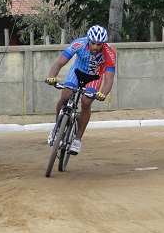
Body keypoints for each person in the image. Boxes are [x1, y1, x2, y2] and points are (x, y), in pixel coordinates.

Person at [45, 24, 116, 155]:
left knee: (86, 101)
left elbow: (109, 79)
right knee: (66, 95)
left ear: (103, 44)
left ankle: (77, 139)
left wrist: (103, 94)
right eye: (93, 43)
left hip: (94, 77)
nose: (95, 47)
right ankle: (57, 127)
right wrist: (52, 77)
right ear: (88, 39)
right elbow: (60, 62)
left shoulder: (110, 53)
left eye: (99, 44)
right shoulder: (78, 44)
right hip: (77, 72)